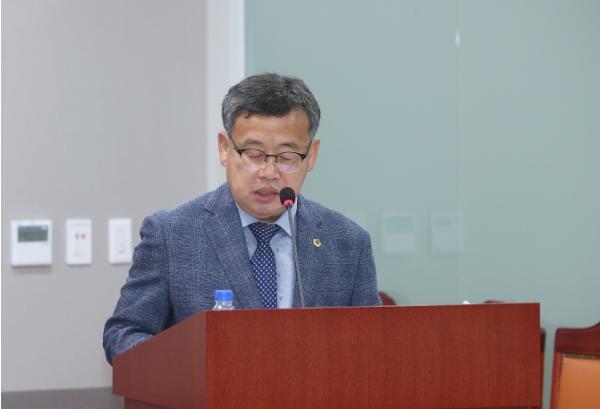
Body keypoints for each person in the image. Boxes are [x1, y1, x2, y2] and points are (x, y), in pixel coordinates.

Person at [103, 73, 381, 364]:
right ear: (225, 148)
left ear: (311, 155)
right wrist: (189, 366)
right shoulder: (171, 234)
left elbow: (374, 345)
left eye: (287, 156)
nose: (269, 173)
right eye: (253, 154)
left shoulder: (348, 243)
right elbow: (123, 334)